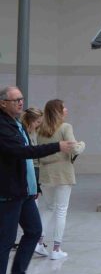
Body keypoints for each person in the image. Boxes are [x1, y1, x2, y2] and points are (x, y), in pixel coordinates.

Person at [0, 86, 76, 274]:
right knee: (5, 240)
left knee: (33, 231)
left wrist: (33, 186)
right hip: (9, 191)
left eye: (21, 99)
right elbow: (22, 152)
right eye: (15, 100)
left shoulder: (16, 124)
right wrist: (57, 146)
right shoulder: (3, 126)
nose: (20, 103)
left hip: (23, 190)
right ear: (3, 103)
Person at [36, 99, 86, 261]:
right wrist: (82, 144)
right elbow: (74, 148)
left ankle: (38, 241)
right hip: (63, 172)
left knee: (48, 207)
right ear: (58, 111)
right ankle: (56, 249)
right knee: (61, 210)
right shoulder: (65, 127)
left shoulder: (40, 129)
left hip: (46, 173)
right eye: (63, 107)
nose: (66, 109)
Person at [20, 108, 48, 256]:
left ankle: (37, 240)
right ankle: (37, 241)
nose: (39, 125)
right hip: (29, 171)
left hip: (35, 170)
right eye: (37, 122)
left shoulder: (33, 132)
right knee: (32, 208)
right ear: (30, 121)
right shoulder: (23, 132)